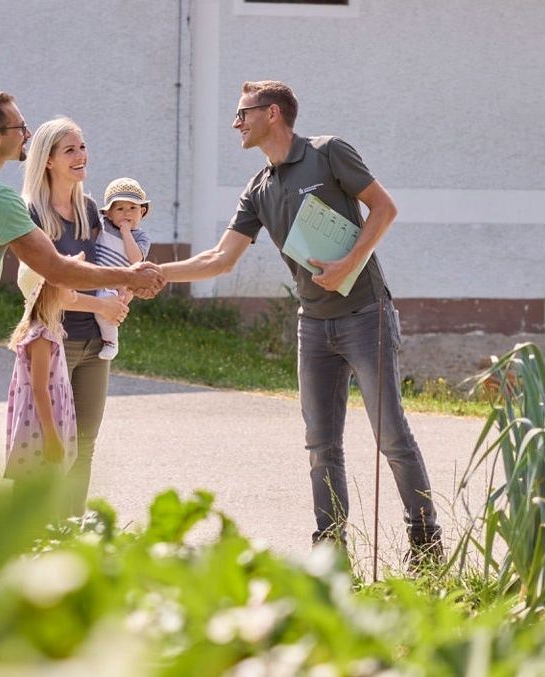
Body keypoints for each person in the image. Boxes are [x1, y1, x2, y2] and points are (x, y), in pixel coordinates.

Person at [161, 80, 443, 565]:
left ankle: (426, 544)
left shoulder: (328, 152)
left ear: (272, 113)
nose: (236, 123)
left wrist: (350, 262)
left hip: (365, 314)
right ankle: (331, 553)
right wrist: (155, 273)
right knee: (320, 445)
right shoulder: (258, 188)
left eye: (242, 113)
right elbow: (220, 258)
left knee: (391, 436)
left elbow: (385, 207)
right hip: (312, 326)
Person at [0, 93, 164, 531]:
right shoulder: (0, 199)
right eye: (21, 127)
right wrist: (131, 280)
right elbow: (52, 269)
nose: (28, 134)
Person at [21, 117, 131, 515]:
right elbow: (48, 292)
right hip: (53, 343)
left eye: (82, 146)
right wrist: (102, 305)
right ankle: (38, 535)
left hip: (94, 345)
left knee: (84, 445)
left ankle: (70, 535)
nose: (81, 156)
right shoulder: (31, 214)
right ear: (47, 160)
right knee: (50, 446)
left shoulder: (88, 209)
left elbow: (106, 266)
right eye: (70, 150)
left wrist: (121, 292)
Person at [5, 261, 78, 489]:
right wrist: (52, 436)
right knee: (36, 487)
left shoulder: (49, 330)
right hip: (40, 426)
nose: (74, 283)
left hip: (45, 422)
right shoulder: (41, 336)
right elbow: (39, 388)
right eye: (66, 279)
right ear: (48, 289)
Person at [93, 177, 152, 360]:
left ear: (142, 211)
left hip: (115, 284)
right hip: (94, 275)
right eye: (120, 208)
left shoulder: (141, 237)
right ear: (108, 214)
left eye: (133, 208)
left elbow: (136, 260)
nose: (127, 213)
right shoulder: (104, 226)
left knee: (107, 306)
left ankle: (111, 341)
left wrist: (126, 233)